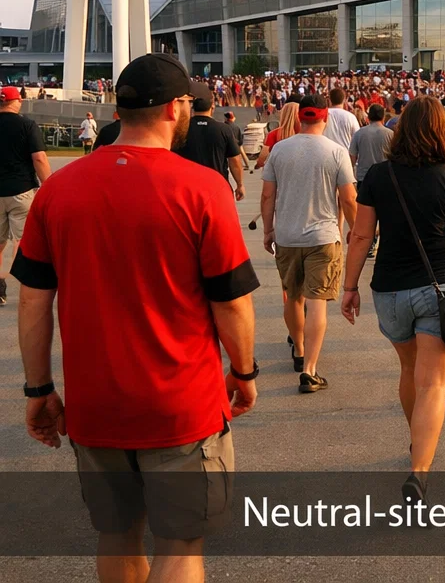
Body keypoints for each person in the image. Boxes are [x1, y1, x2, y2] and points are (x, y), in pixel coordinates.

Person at [11, 53, 259, 581]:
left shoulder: (59, 190)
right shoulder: (202, 188)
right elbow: (231, 301)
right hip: (179, 401)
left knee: (117, 534)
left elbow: (33, 299)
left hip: (95, 400)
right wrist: (244, 371)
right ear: (174, 108)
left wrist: (39, 389)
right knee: (180, 545)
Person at [341, 96, 445, 498]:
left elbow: (361, 235)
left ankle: (417, 442)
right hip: (443, 285)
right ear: (443, 131)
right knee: (433, 384)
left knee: (409, 370)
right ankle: (420, 469)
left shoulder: (379, 175)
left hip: (390, 287)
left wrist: (349, 286)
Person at [261, 94, 357, 393]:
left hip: (287, 235)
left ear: (300, 117)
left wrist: (268, 230)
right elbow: (348, 198)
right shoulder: (336, 151)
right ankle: (310, 369)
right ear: (324, 118)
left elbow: (267, 195)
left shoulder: (279, 149)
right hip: (323, 236)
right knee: (317, 301)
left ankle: (299, 348)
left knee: (293, 296)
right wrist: (356, 230)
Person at [0, 86, 51, 306]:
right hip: (21, 190)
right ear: (18, 101)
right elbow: (39, 158)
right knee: (22, 240)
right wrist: (49, 185)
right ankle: (24, 287)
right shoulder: (26, 125)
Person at [175, 83, 245, 202]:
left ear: (193, 108)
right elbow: (235, 161)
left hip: (188, 189)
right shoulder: (224, 129)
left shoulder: (181, 129)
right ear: (212, 107)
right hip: (217, 187)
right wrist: (240, 184)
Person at [349, 103, 394, 184]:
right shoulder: (390, 134)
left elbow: (352, 157)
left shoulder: (359, 133)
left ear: (368, 117)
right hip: (384, 177)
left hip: (364, 177)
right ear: (383, 117)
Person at [254, 101, 298, 170]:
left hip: (279, 172)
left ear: (283, 115)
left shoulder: (274, 134)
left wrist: (258, 164)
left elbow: (262, 160)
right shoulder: (306, 134)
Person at [324, 87, 360, 152]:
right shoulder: (351, 117)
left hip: (326, 153)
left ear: (329, 100)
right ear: (344, 100)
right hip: (345, 154)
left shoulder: (323, 115)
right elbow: (357, 139)